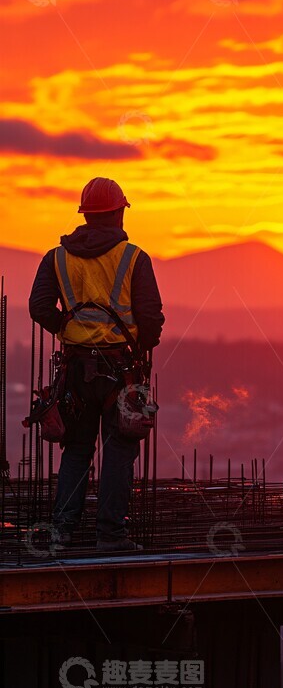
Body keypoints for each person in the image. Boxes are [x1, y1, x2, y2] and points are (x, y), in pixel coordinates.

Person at [29, 177, 164, 552]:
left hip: (74, 372)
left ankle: (62, 532)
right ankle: (110, 535)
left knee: (76, 450)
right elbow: (151, 318)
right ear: (119, 212)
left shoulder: (56, 258)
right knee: (119, 449)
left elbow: (38, 307)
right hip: (120, 371)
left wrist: (67, 329)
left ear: (85, 215)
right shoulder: (135, 258)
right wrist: (140, 348)